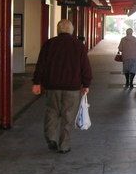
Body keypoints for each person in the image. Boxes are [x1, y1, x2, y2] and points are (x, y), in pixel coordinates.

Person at [32, 19, 92, 154]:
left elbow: (41, 65)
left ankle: (51, 138)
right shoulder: (78, 45)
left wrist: (37, 82)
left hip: (52, 86)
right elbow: (85, 68)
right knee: (68, 116)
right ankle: (64, 145)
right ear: (72, 31)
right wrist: (86, 84)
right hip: (72, 88)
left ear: (58, 30)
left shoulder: (49, 44)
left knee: (51, 112)